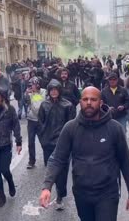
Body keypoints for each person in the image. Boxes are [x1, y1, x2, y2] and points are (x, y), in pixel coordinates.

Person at [39, 87, 129, 221]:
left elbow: (125, 162)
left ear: (101, 102)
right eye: (85, 99)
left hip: (107, 194)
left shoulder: (115, 128)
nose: (89, 102)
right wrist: (47, 186)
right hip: (82, 194)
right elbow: (57, 159)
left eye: (93, 99)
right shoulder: (70, 128)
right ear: (80, 102)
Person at [38, 79, 76, 210]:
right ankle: (50, 190)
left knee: (62, 172)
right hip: (48, 143)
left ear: (59, 90)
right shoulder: (44, 105)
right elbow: (40, 123)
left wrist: (69, 143)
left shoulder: (68, 105)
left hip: (62, 144)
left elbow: (72, 125)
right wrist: (42, 140)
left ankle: (60, 195)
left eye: (56, 89)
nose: (54, 92)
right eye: (51, 90)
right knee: (50, 170)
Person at [24, 77, 47, 169]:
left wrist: (32, 96)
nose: (30, 87)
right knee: (30, 142)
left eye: (32, 85)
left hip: (40, 120)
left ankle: (47, 159)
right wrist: (27, 95)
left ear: (37, 85)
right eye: (29, 85)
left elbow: (38, 108)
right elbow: (28, 105)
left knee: (43, 141)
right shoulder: (30, 93)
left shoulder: (43, 92)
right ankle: (31, 161)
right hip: (31, 120)